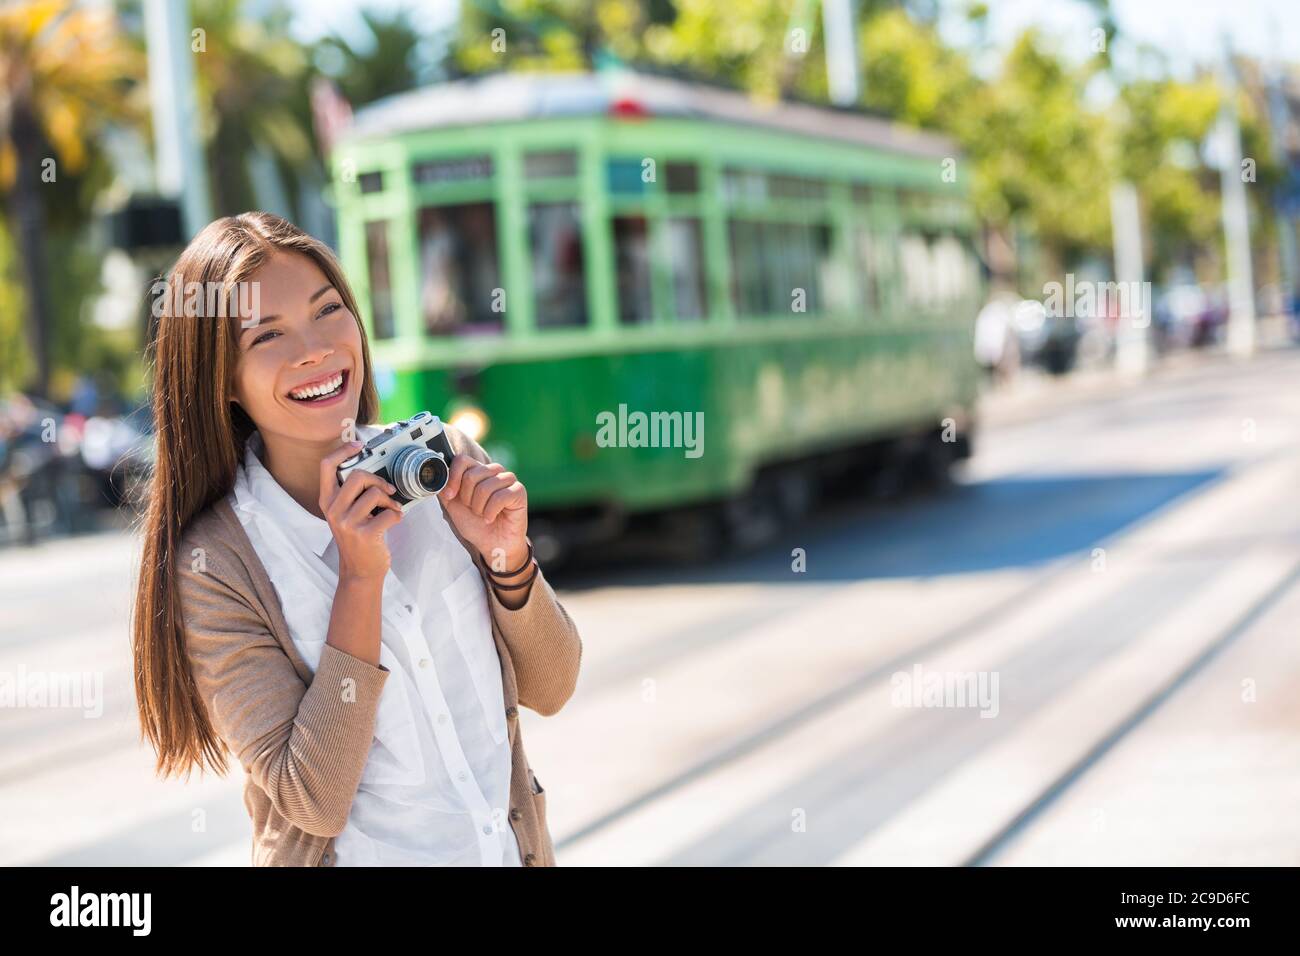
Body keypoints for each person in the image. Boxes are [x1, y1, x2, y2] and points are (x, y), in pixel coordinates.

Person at [130, 211, 582, 866]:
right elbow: (314, 799)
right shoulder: (216, 566)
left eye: (328, 311)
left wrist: (507, 559)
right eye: (268, 336)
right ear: (222, 380)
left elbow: (554, 686)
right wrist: (360, 582)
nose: (314, 349)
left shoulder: (441, 461)